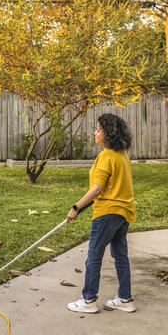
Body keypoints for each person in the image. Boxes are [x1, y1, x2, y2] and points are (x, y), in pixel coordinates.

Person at [65, 113, 136, 313]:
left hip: (106, 213)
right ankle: (125, 299)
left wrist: (76, 207)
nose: (94, 133)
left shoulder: (105, 156)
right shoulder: (122, 155)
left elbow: (97, 189)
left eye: (98, 129)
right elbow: (110, 187)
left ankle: (88, 300)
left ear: (108, 133)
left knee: (94, 256)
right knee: (120, 256)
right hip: (123, 213)